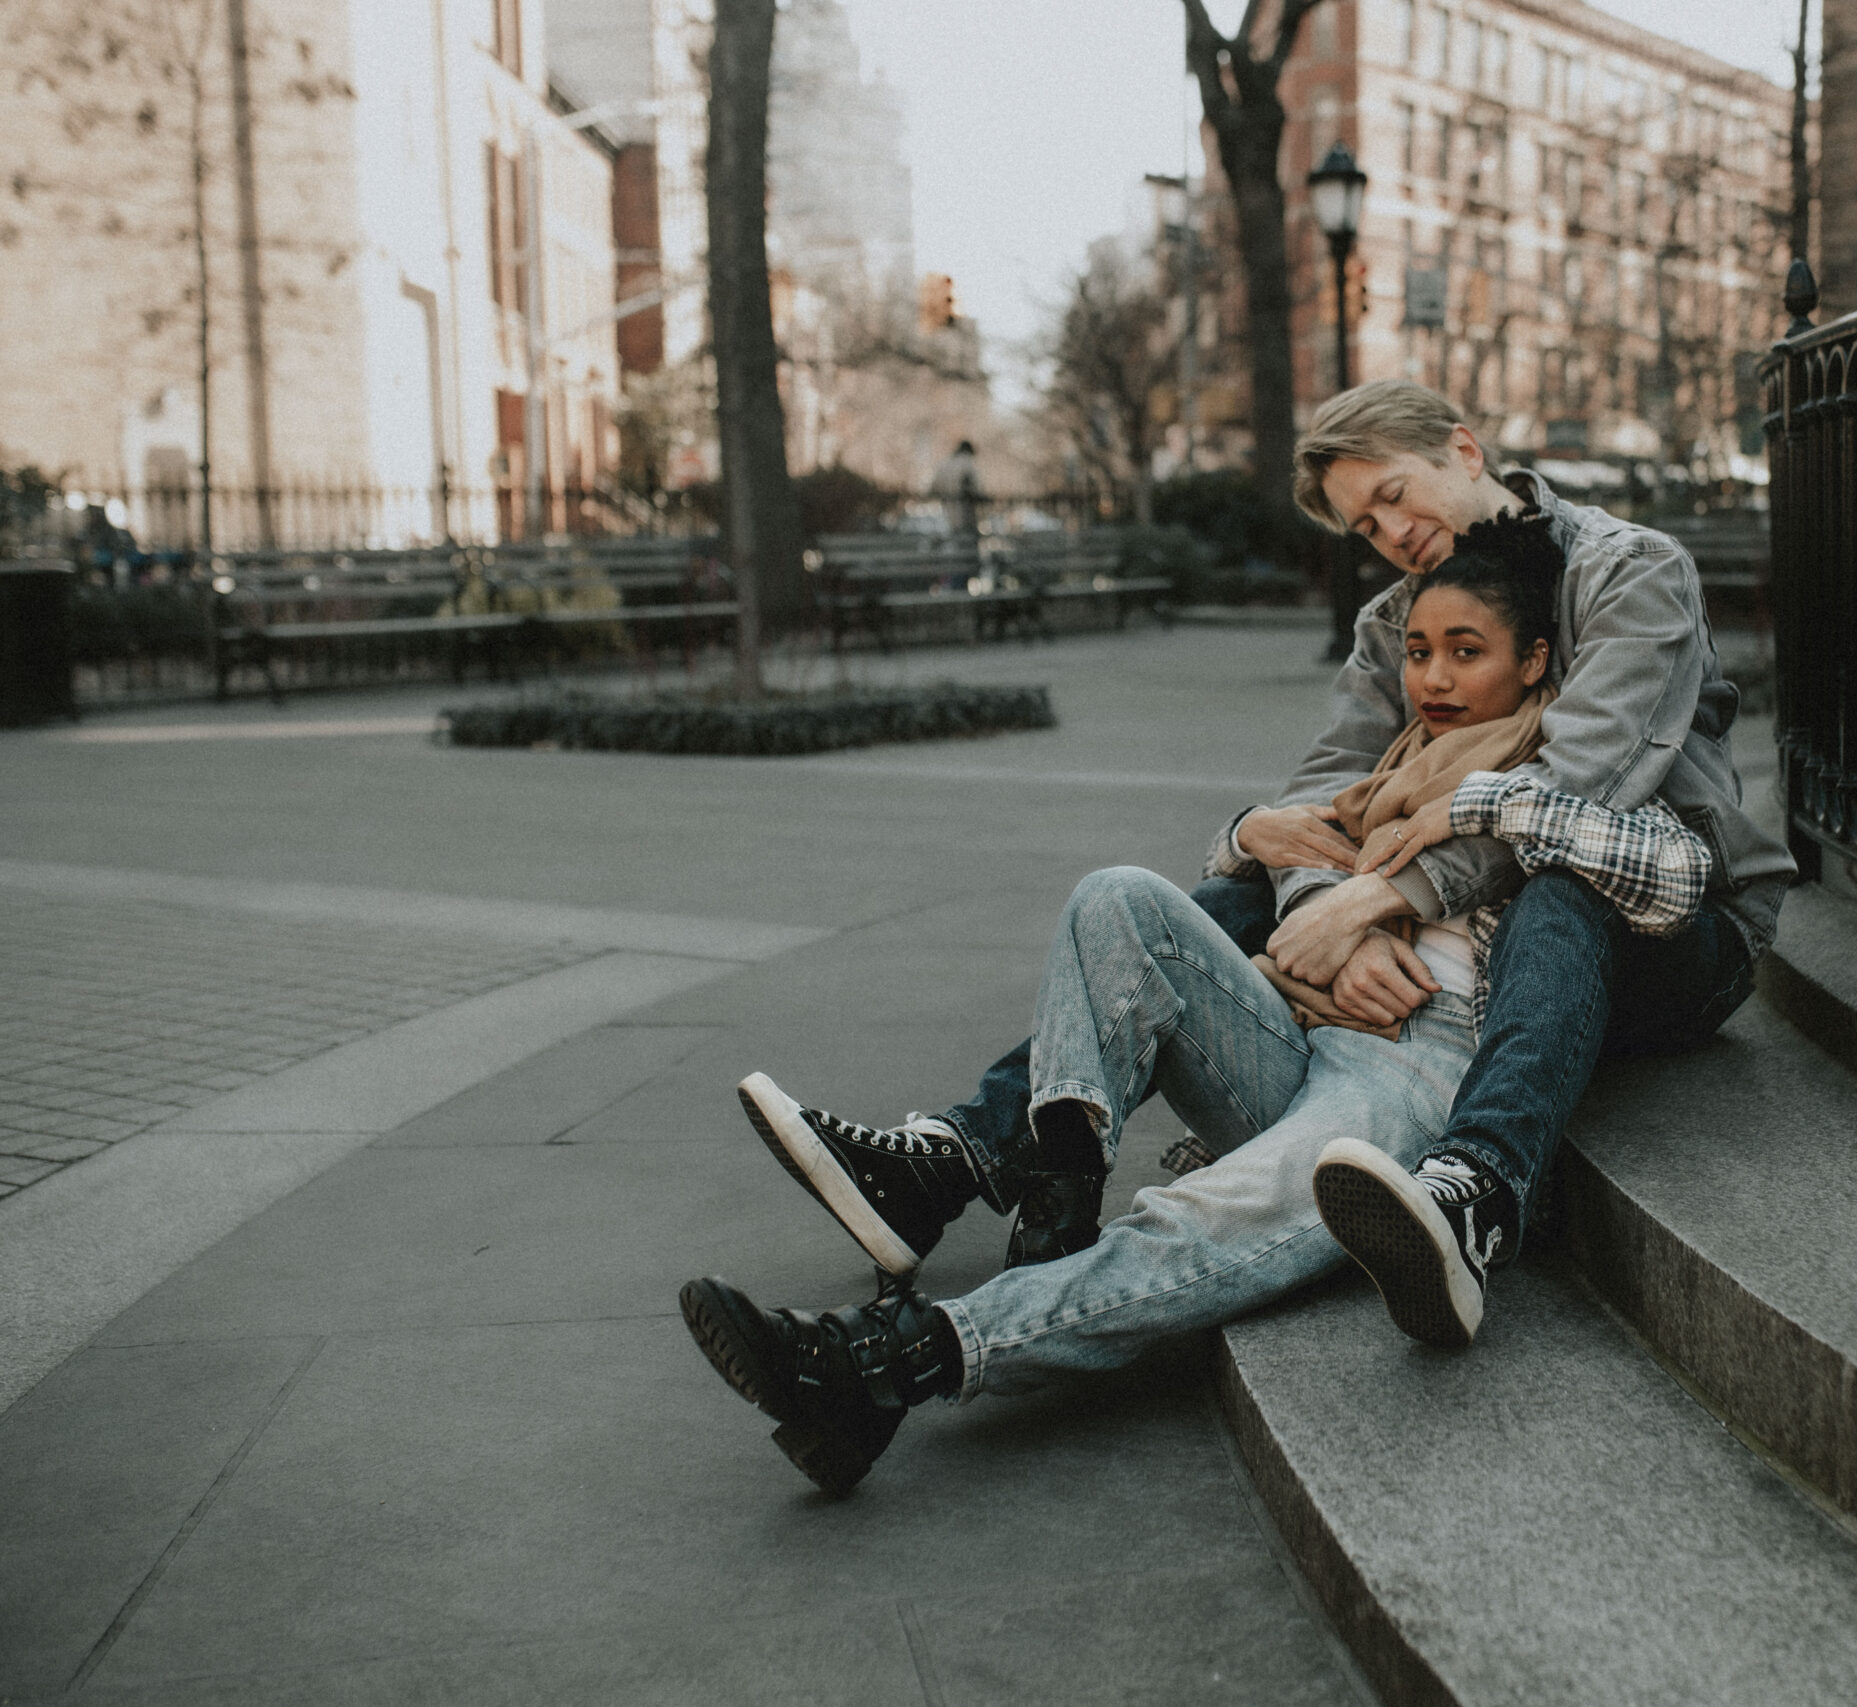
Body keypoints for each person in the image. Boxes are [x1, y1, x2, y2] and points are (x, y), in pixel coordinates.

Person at [720, 379, 1792, 1351]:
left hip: (1660, 929)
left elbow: (1576, 790)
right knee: (1229, 884)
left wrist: (1387, 895)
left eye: (1395, 497)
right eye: (1363, 526)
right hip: (1447, 939)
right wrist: (1328, 906)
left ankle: (1477, 1192)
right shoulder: (1390, 624)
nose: (1390, 536)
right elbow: (1312, 806)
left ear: (1463, 450)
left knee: (1565, 881)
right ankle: (966, 1156)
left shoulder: (1625, 572)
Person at [681, 516, 1719, 1496]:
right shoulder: (1390, 768)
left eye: (1465, 651)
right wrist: (1306, 886)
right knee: (1119, 896)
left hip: (1420, 1062)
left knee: (1200, 1216)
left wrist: (1487, 803)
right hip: (1298, 1027)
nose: (1434, 679)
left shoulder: (1561, 768)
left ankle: (888, 1364)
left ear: (1535, 661)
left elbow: (1673, 877)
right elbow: (1253, 856)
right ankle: (1060, 1165)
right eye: (1417, 651)